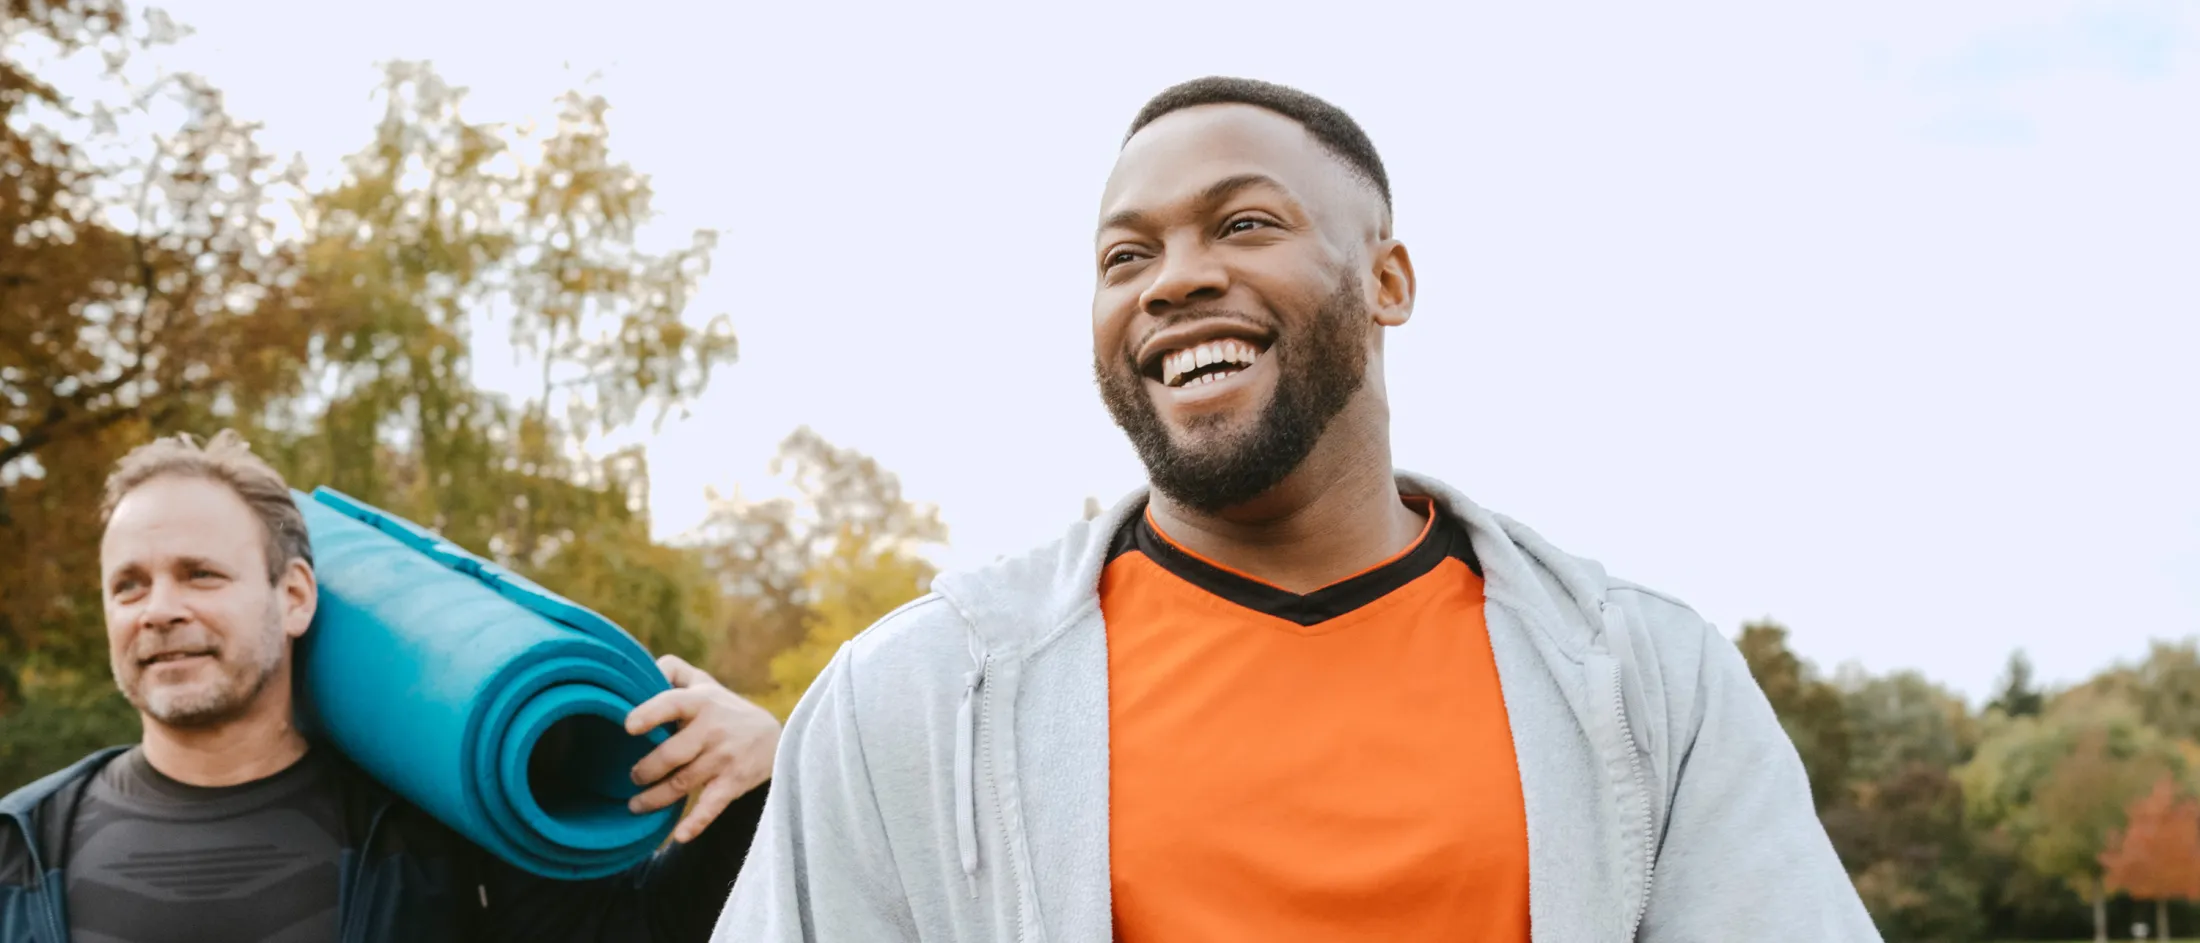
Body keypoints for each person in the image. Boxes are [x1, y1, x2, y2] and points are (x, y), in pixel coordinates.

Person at [714, 75, 1881, 942]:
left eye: (1243, 224)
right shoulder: (909, 699)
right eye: (1125, 257)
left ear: (1387, 281)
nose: (1173, 278)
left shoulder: (1649, 681)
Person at [0, 430, 782, 943]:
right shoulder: (19, 846)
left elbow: (651, 930)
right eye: (129, 585)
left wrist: (762, 776)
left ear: (294, 596)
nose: (160, 609)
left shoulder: (441, 834)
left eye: (200, 574)